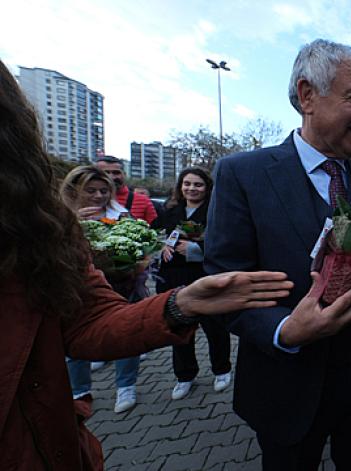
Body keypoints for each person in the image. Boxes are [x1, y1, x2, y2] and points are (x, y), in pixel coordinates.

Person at [0, 57, 294, 471]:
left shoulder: (36, 228)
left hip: (46, 450)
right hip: (169, 281)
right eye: (187, 182)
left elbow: (89, 322)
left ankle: (150, 381)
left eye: (109, 185)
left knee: (209, 334)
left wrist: (180, 305)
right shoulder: (168, 210)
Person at [203, 39, 351, 470]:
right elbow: (222, 282)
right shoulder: (243, 173)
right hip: (286, 385)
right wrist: (285, 330)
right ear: (307, 95)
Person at [59, 165, 147, 413]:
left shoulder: (122, 215)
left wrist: (139, 261)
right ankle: (80, 390)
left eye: (103, 191)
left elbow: (141, 248)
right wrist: (74, 226)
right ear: (74, 190)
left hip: (120, 285)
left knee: (126, 335)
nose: (98, 196)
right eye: (91, 190)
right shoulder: (58, 218)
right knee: (74, 341)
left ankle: (126, 386)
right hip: (74, 290)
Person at [152, 167, 233, 400]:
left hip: (205, 274)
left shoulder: (217, 212)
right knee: (178, 327)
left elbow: (226, 243)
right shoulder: (170, 210)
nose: (192, 188)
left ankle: (222, 369)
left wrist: (197, 249)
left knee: (214, 326)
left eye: (198, 184)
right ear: (180, 186)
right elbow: (153, 234)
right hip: (173, 276)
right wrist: (161, 246)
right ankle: (185, 375)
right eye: (187, 184)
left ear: (207, 188)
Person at [95, 156, 158, 224]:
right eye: (106, 173)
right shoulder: (86, 199)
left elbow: (156, 230)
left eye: (116, 173)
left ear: (124, 174)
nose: (111, 177)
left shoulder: (143, 201)